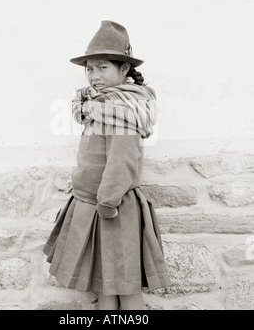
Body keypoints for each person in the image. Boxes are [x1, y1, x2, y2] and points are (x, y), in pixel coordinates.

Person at [43, 20, 171, 310]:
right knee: (106, 286)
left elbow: (122, 162)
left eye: (103, 67)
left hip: (114, 210)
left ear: (123, 69)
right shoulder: (99, 105)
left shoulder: (122, 110)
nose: (94, 76)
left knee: (124, 288)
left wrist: (107, 202)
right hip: (94, 206)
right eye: (90, 68)